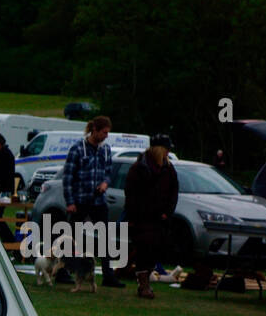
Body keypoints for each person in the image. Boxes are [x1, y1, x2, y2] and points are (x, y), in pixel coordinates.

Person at [62, 115, 119, 287]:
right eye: (104, 132)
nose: (106, 136)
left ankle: (108, 275)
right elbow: (68, 176)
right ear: (94, 130)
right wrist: (70, 201)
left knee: (105, 237)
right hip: (80, 200)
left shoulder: (106, 150)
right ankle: (64, 270)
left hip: (98, 201)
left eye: (108, 132)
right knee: (72, 237)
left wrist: (105, 183)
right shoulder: (78, 149)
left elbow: (108, 172)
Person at [124, 134, 179, 300]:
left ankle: (145, 280)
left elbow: (173, 193)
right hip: (141, 218)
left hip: (160, 219)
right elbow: (131, 194)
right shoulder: (139, 168)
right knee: (144, 250)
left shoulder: (168, 169)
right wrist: (133, 216)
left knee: (155, 250)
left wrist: (167, 212)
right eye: (166, 149)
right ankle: (143, 284)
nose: (168, 152)